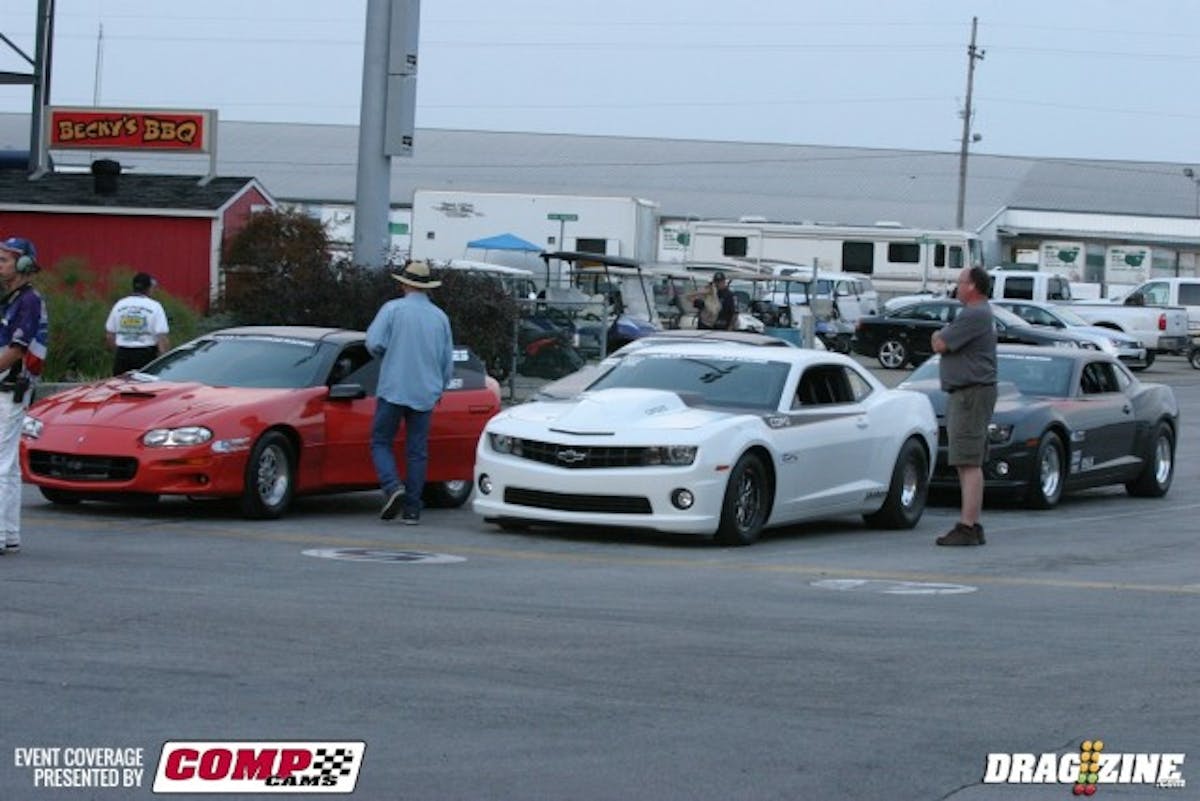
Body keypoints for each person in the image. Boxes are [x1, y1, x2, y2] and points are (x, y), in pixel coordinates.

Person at [366, 260, 455, 525]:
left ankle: (393, 487)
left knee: (380, 441)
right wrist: (440, 387)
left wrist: (387, 355)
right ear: (426, 287)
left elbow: (374, 343)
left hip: (394, 386)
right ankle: (413, 510)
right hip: (425, 391)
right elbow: (446, 361)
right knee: (417, 451)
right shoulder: (440, 317)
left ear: (404, 284)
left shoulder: (392, 310)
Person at [931, 265, 997, 547]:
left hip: (970, 394)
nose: (956, 288)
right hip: (971, 392)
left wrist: (938, 335)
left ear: (972, 286)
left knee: (968, 461)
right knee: (967, 461)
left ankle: (968, 526)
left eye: (960, 282)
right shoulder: (980, 314)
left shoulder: (974, 314)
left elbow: (940, 344)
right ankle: (972, 523)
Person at [0, 237, 49, 556]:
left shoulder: (28, 300)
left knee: (1, 465)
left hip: (10, 389)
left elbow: (16, 350)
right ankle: (9, 532)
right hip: (7, 388)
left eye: (4, 259)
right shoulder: (12, 299)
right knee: (10, 466)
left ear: (23, 265)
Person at [105, 272, 169, 375]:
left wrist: (118, 351)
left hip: (122, 354)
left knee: (121, 387)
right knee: (144, 388)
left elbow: (110, 335)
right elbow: (161, 337)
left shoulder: (120, 305)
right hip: (145, 355)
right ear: (149, 288)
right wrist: (163, 360)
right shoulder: (155, 306)